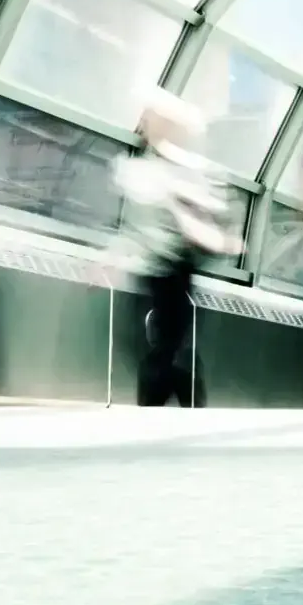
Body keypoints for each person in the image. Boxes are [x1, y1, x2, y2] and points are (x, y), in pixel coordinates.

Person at [113, 90, 237, 408]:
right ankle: (177, 405)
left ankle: (161, 406)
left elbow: (206, 216)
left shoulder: (175, 169)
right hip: (159, 268)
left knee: (166, 347)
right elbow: (136, 226)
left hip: (173, 268)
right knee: (168, 346)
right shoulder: (147, 169)